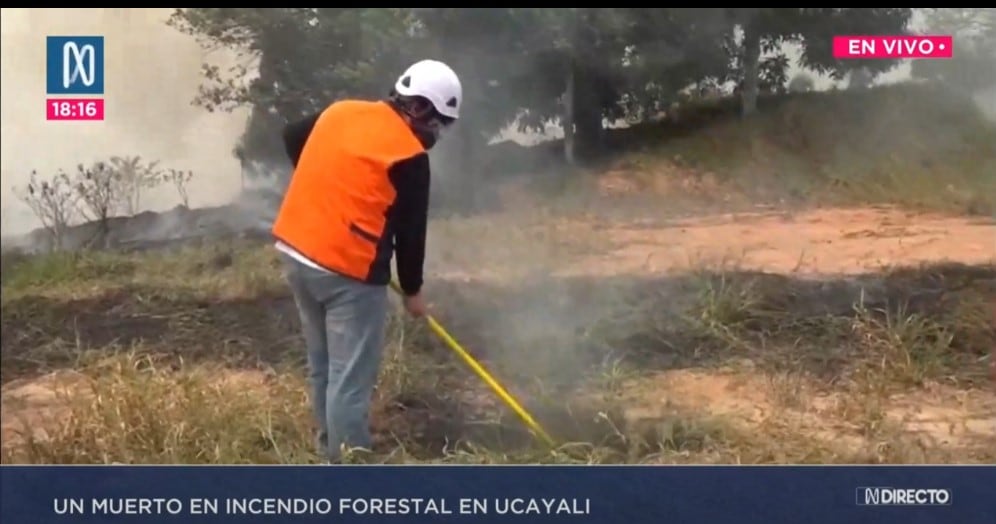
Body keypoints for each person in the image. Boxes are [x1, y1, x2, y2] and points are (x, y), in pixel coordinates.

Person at [270, 59, 462, 462]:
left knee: (322, 365)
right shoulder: (409, 156)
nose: (436, 134)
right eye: (438, 123)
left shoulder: (342, 111)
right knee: (350, 379)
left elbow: (292, 135)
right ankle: (353, 473)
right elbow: (411, 235)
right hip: (347, 274)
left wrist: (325, 187)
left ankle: (329, 454)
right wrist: (412, 292)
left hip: (296, 253)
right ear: (421, 108)